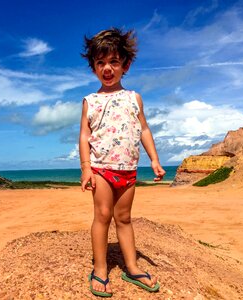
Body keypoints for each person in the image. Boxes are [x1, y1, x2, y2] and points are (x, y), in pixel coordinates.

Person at [79, 28, 166, 297]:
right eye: (100, 63)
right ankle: (101, 269)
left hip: (128, 169)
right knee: (103, 216)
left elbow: (144, 130)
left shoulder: (133, 98)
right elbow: (84, 135)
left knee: (125, 218)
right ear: (93, 67)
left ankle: (132, 266)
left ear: (125, 65)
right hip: (102, 169)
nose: (107, 68)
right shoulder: (90, 101)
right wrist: (85, 168)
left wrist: (154, 159)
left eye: (114, 62)